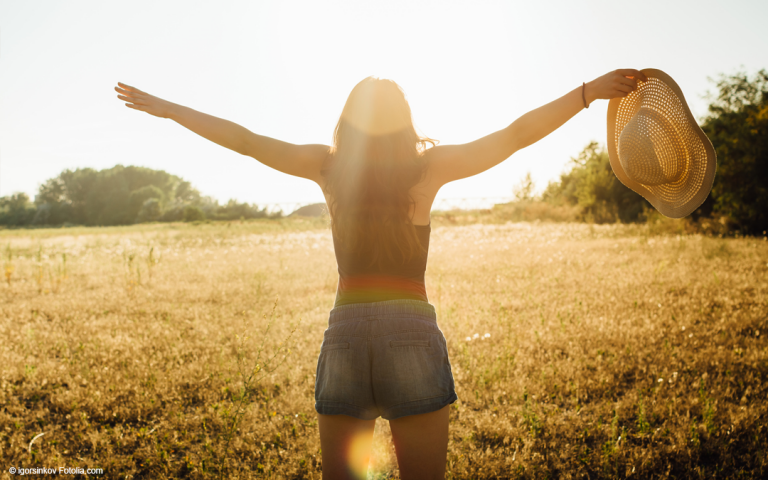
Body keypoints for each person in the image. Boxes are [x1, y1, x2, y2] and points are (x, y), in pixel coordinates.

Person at [115, 69, 647, 480]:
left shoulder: (326, 166)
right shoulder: (428, 167)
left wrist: (169, 110)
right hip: (411, 331)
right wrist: (586, 93)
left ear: (347, 119)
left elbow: (245, 140)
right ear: (404, 121)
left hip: (345, 331)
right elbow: (515, 135)